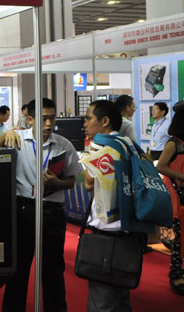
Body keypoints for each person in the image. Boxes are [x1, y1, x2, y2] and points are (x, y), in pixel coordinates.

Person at [0, 98, 80, 312]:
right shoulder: (17, 139)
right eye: (43, 118)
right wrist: (4, 136)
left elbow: (71, 181)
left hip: (52, 211)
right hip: (23, 208)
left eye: (52, 118)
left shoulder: (64, 145)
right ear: (30, 119)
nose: (49, 123)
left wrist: (57, 183)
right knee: (18, 268)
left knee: (53, 269)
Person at [81, 100, 145, 311]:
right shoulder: (128, 144)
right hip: (130, 229)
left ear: (105, 121)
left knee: (102, 302)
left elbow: (89, 183)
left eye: (89, 118)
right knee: (120, 299)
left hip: (108, 233)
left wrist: (91, 151)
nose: (85, 123)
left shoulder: (103, 146)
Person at [155, 101, 184, 295]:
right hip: (176, 194)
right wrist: (181, 176)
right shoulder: (173, 143)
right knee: (179, 237)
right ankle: (176, 274)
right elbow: (161, 166)